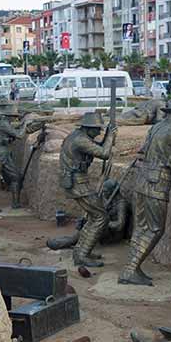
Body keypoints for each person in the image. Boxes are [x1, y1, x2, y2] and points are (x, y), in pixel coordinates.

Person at [118, 100, 171, 286]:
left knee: (141, 228)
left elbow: (161, 150)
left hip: (142, 179)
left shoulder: (156, 127)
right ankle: (130, 270)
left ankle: (132, 268)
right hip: (157, 183)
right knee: (155, 229)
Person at [60, 111, 118, 267]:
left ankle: (81, 251)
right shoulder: (79, 140)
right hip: (78, 184)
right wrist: (111, 136)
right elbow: (104, 153)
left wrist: (107, 136)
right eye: (97, 129)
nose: (99, 131)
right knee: (101, 217)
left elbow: (98, 147)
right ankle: (83, 254)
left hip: (79, 182)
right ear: (88, 128)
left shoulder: (80, 136)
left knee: (94, 216)